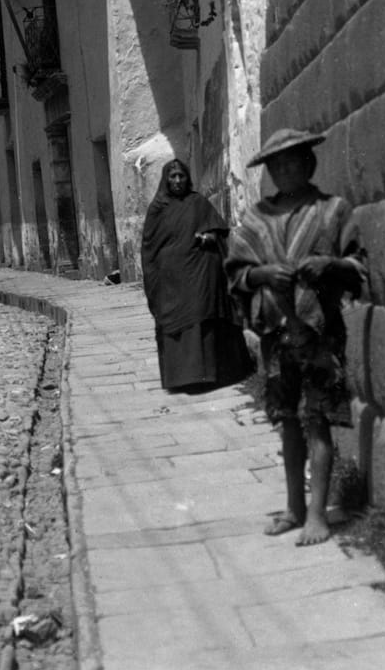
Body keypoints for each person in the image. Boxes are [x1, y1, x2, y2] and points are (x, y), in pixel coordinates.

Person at [224, 127, 365, 547]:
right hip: (277, 336)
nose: (286, 169)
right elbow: (236, 273)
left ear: (309, 162)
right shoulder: (256, 219)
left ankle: (319, 514)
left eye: (294, 160)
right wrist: (262, 274)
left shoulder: (333, 210)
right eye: (277, 164)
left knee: (318, 420)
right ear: (269, 171)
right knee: (288, 421)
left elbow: (359, 265)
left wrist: (330, 265)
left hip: (321, 333)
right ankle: (293, 507)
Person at [141, 158, 251, 393]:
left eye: (181, 176)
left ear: (187, 178)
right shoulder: (158, 208)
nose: (178, 180)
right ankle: (182, 377)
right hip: (171, 280)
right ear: (166, 179)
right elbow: (149, 247)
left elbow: (219, 231)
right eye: (173, 176)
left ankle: (208, 374)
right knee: (175, 322)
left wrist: (210, 238)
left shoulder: (198, 202)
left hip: (199, 274)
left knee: (203, 316)